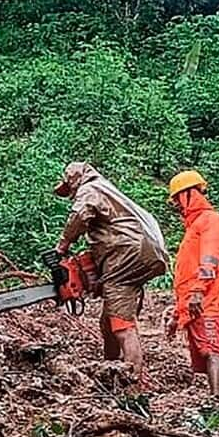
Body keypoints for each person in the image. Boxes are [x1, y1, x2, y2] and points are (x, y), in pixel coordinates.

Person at [52, 162, 170, 388]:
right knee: (108, 322)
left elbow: (79, 214)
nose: (70, 195)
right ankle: (110, 369)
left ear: (75, 179)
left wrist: (62, 245)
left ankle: (133, 386)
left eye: (69, 189)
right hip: (139, 253)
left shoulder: (91, 188)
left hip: (126, 255)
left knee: (122, 326)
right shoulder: (111, 193)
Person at [165, 170, 219, 396]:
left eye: (176, 198)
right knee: (207, 357)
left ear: (189, 194)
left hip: (208, 303)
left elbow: (210, 258)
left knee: (213, 354)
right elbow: (187, 276)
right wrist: (177, 313)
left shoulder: (211, 222)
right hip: (195, 305)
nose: (175, 205)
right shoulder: (193, 228)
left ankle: (217, 402)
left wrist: (197, 291)